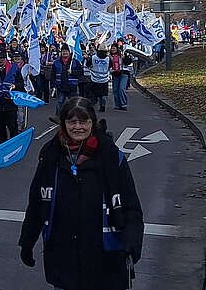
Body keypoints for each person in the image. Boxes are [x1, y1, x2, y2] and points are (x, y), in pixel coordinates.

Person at [19, 97, 144, 290]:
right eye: (71, 121)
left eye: (83, 121)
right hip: (63, 254)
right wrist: (27, 242)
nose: (78, 127)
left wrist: (132, 240)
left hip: (104, 254)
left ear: (92, 123)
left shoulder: (111, 156)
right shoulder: (50, 154)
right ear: (63, 124)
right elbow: (37, 202)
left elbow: (131, 204)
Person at [0, 45, 25, 143]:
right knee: (1, 128)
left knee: (12, 126)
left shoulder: (14, 67)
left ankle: (14, 146)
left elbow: (21, 83)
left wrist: (15, 86)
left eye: (2, 58)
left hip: (10, 102)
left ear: (6, 58)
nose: (0, 60)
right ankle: (2, 147)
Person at [49, 44, 83, 124]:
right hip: (60, 85)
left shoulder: (74, 62)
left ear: (69, 52)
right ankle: (58, 116)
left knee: (73, 103)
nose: (65, 53)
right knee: (60, 102)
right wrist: (53, 85)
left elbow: (81, 72)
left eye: (66, 51)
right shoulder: (56, 62)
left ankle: (74, 117)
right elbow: (53, 74)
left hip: (71, 85)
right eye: (63, 51)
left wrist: (73, 72)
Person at [87, 46, 110, 112]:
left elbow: (88, 64)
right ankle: (102, 104)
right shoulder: (108, 58)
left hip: (94, 78)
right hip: (104, 79)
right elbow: (110, 66)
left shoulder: (93, 57)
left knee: (94, 94)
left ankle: (93, 105)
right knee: (103, 94)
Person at [110, 44, 132, 111]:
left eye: (114, 48)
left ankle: (124, 104)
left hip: (123, 74)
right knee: (115, 90)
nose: (112, 50)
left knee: (122, 88)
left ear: (117, 49)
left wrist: (125, 57)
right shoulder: (110, 56)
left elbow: (128, 62)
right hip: (115, 74)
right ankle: (117, 105)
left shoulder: (122, 55)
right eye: (112, 48)